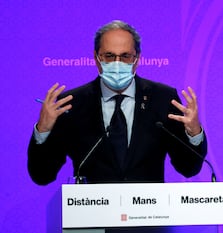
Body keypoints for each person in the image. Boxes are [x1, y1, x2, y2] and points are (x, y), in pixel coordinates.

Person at [27, 20, 207, 185]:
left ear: (137, 60)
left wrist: (194, 134)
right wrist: (43, 131)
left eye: (125, 56)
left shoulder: (162, 98)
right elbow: (42, 175)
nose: (117, 63)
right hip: (91, 217)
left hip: (147, 216)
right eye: (109, 56)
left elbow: (188, 168)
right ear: (97, 58)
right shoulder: (72, 104)